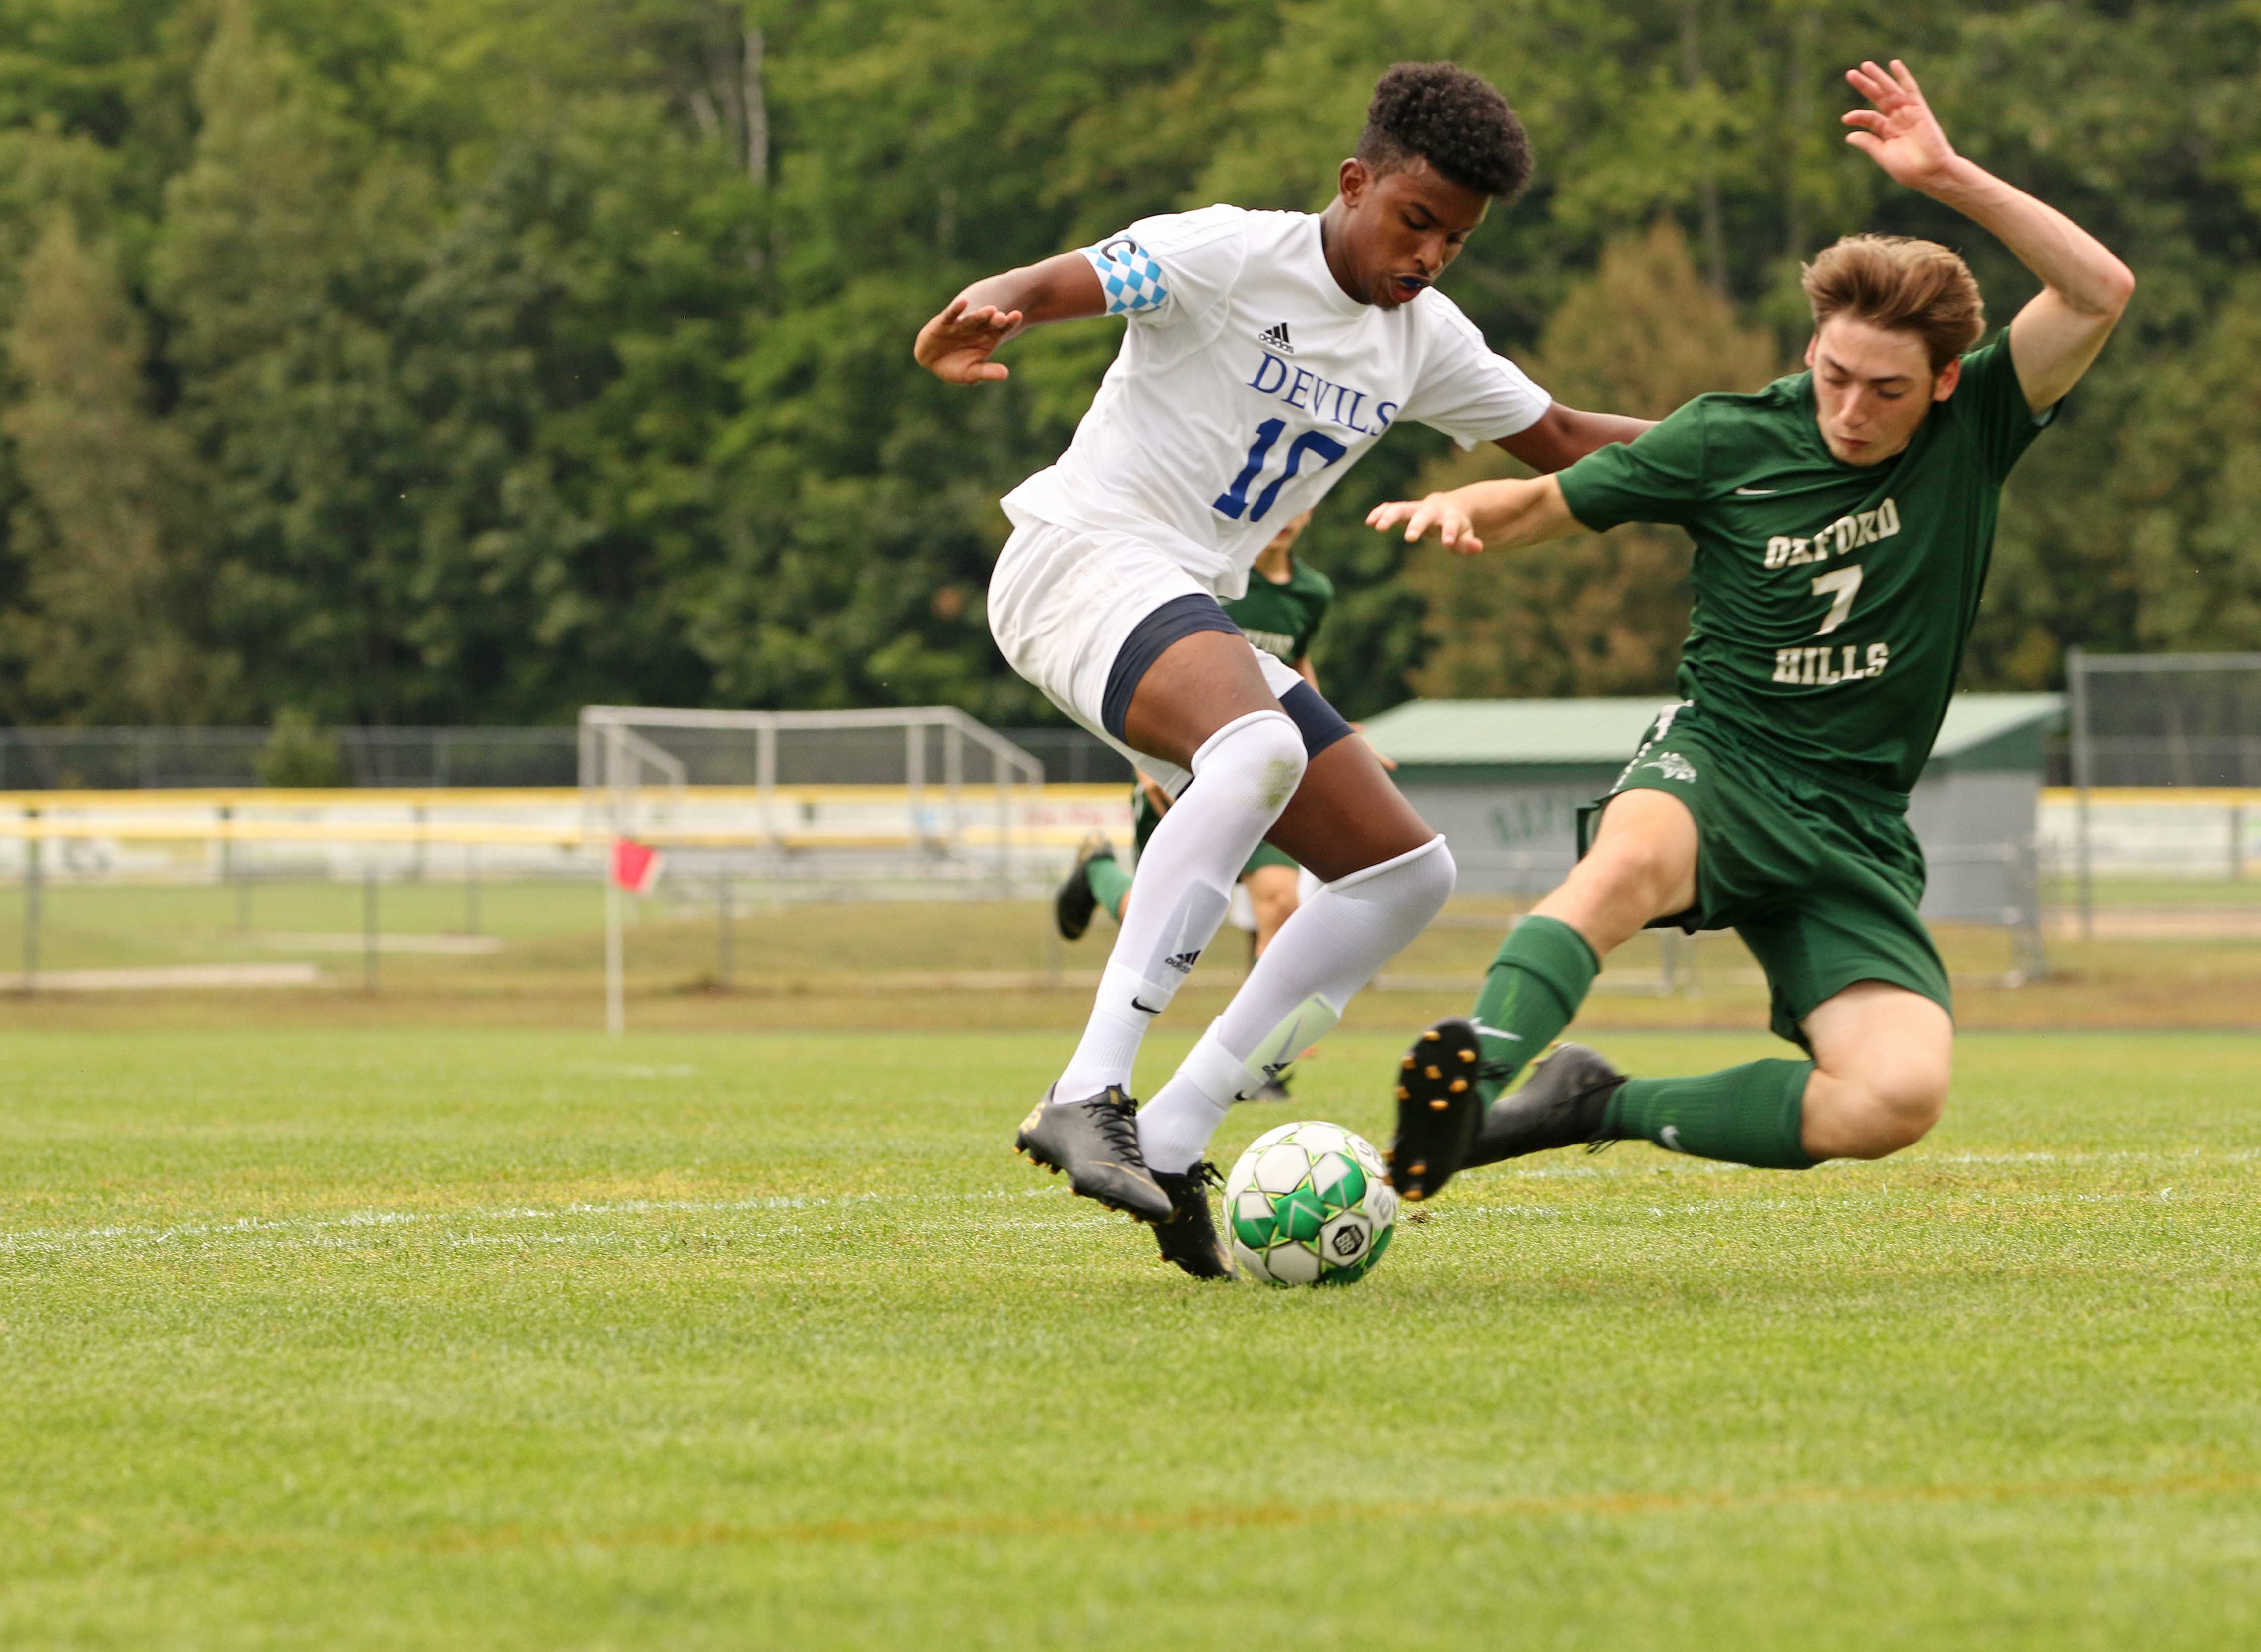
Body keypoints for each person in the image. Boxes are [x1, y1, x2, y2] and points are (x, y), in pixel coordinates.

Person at [914, 62, 1649, 1276]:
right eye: (1415, 220)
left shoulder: (1423, 340)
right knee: (1256, 749)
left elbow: (1565, 438)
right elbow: (1068, 280)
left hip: (1185, 605)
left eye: (1457, 240)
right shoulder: (1227, 253)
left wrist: (1762, 444)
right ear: (1355, 182)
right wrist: (987, 307)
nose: (1430, 256)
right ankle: (1086, 1088)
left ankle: (1173, 1131)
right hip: (1075, 562)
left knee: (1404, 874)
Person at [1368, 59, 2134, 1201]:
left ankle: (1593, 1102)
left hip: (1854, 822)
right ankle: (1472, 1073)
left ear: (1940, 385)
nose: (1849, 410)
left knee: (1892, 1098)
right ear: (1810, 348)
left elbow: (2098, 291)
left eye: (1885, 391)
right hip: (1721, 759)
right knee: (1627, 863)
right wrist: (1460, 507)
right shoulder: (1726, 439)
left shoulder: (1977, 425)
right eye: (1834, 376)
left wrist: (1945, 176)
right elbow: (1540, 501)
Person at [1054, 508, 1329, 969]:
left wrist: (1330, 733)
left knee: (1282, 903)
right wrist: (1144, 760)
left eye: (1298, 504)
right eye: (1277, 502)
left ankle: (1257, 1020)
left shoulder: (1312, 593)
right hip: (1185, 762)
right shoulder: (1207, 573)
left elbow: (1296, 664)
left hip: (1264, 769)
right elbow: (1149, 659)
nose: (1284, 515)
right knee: (1162, 937)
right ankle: (1098, 871)